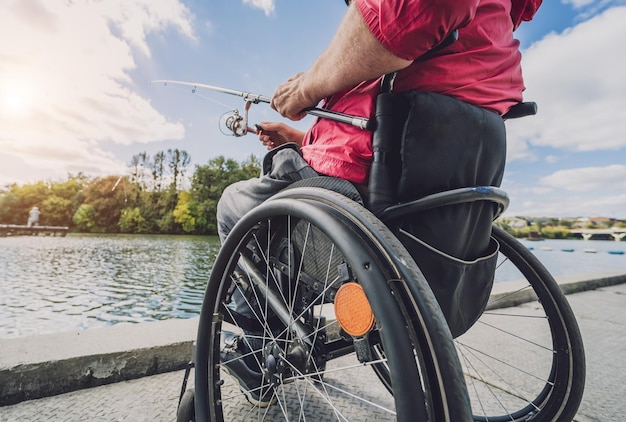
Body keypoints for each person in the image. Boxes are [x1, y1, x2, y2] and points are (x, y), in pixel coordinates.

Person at [217, 0, 542, 407]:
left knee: (233, 203)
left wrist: (303, 90)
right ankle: (289, 333)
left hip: (357, 195)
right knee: (281, 186)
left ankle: (263, 351)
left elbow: (398, 20)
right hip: (417, 195)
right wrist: (300, 140)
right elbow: (390, 138)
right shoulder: (495, 32)